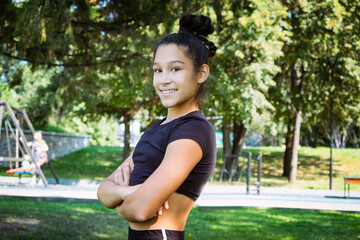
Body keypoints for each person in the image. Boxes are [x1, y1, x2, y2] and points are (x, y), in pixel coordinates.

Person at [97, 13, 217, 240]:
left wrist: (120, 204)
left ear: (201, 73)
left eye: (175, 69)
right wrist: (129, 192)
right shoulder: (156, 127)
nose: (163, 80)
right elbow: (103, 190)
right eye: (157, 70)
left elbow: (140, 210)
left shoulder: (194, 130)